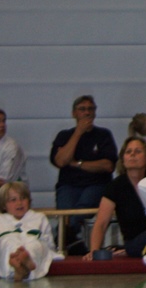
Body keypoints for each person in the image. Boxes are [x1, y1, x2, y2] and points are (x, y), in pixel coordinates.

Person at [49, 95, 118, 255]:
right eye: (82, 109)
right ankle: (74, 243)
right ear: (74, 113)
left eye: (90, 109)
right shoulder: (64, 136)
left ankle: (66, 239)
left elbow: (107, 165)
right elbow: (61, 161)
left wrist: (76, 163)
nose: (87, 113)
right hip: (68, 185)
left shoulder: (103, 135)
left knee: (80, 210)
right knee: (65, 213)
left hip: (97, 184)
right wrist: (78, 133)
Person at [84, 136, 146, 260]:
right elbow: (101, 223)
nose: (132, 155)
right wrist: (94, 251)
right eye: (128, 152)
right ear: (123, 159)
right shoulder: (115, 186)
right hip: (136, 244)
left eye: (138, 151)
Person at [0, 182, 57, 281]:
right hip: (7, 244)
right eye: (13, 200)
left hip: (33, 242)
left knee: (34, 245)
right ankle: (17, 268)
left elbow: (49, 244)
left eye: (23, 198)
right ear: (4, 205)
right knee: (8, 243)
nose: (19, 203)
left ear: (29, 201)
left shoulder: (39, 217)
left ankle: (25, 264)